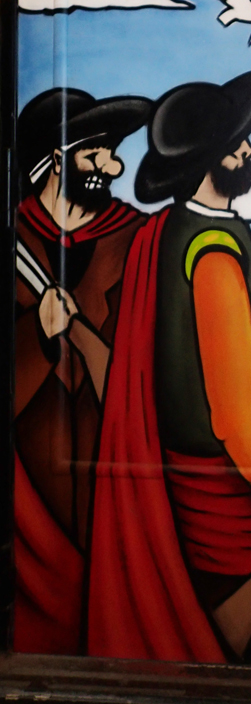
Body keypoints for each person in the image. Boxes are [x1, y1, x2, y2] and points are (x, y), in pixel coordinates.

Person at [87, 69, 251, 665]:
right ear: (208, 160)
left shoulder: (179, 232)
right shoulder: (213, 254)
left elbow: (241, 330)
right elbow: (234, 421)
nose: (248, 150)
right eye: (235, 143)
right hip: (233, 516)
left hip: (207, 502)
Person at [14, 87, 151, 654]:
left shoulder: (136, 238)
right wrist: (36, 334)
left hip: (112, 468)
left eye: (113, 154)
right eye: (97, 154)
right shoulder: (16, 237)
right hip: (26, 489)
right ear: (55, 159)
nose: (114, 167)